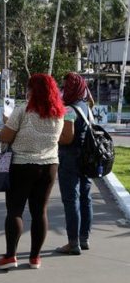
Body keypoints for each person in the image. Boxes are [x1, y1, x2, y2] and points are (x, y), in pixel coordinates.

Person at [0, 74, 65, 270]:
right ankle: (35, 257)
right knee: (40, 212)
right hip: (49, 166)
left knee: (15, 211)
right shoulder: (59, 113)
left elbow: (5, 137)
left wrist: (6, 122)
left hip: (21, 165)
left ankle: (11, 256)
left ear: (32, 90)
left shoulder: (22, 111)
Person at [56, 72, 93, 255]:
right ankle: (84, 239)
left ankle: (73, 243)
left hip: (70, 157)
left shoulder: (69, 110)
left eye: (65, 87)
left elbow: (68, 138)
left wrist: (54, 139)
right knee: (85, 197)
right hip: (86, 157)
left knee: (71, 199)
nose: (63, 90)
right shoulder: (85, 106)